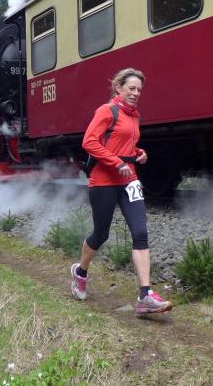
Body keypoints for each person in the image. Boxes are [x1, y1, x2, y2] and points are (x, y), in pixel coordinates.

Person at [71, 68, 173, 316]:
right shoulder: (107, 111)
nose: (136, 93)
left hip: (129, 180)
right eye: (131, 88)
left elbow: (125, 142)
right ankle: (80, 272)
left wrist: (138, 153)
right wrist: (117, 162)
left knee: (140, 233)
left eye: (139, 90)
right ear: (119, 88)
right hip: (103, 180)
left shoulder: (134, 116)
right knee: (101, 234)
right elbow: (89, 142)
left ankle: (145, 296)